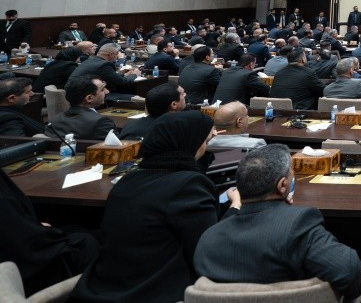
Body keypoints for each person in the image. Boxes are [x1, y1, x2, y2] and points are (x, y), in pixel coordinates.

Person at [194, 144, 361, 301]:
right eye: (292, 176)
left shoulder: (207, 239)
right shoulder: (299, 224)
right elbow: (349, 275)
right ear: (283, 185)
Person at [71, 112, 236, 303]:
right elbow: (210, 252)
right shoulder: (190, 185)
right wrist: (236, 206)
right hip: (153, 293)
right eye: (205, 141)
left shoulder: (126, 180)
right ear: (190, 143)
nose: (205, 146)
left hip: (100, 289)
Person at [0, 166, 99, 295]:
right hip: (34, 270)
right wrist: (43, 229)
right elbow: (24, 240)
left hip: (21, 245)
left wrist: (34, 225)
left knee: (75, 229)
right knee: (90, 240)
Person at [49, 75, 116, 143]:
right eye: (102, 90)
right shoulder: (101, 122)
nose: (107, 91)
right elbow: (117, 145)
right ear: (89, 98)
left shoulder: (54, 121)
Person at [69, 43, 137, 100]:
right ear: (111, 54)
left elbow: (111, 76)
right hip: (85, 97)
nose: (117, 57)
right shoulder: (104, 65)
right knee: (135, 98)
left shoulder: (91, 60)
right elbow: (122, 82)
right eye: (117, 54)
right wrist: (135, 74)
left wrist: (124, 75)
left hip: (75, 93)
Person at [120, 82, 186, 140]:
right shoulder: (174, 131)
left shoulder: (130, 125)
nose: (185, 95)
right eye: (182, 94)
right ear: (174, 104)